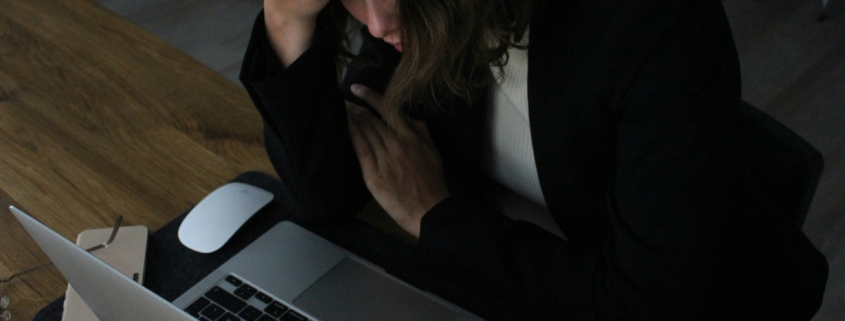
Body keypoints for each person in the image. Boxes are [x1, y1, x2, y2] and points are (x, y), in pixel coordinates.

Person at [240, 0, 828, 319]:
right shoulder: (406, 13)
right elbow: (330, 194)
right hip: (518, 283)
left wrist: (435, 217)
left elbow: (645, 305)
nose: (377, 22)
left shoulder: (655, 23)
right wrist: (286, 17)